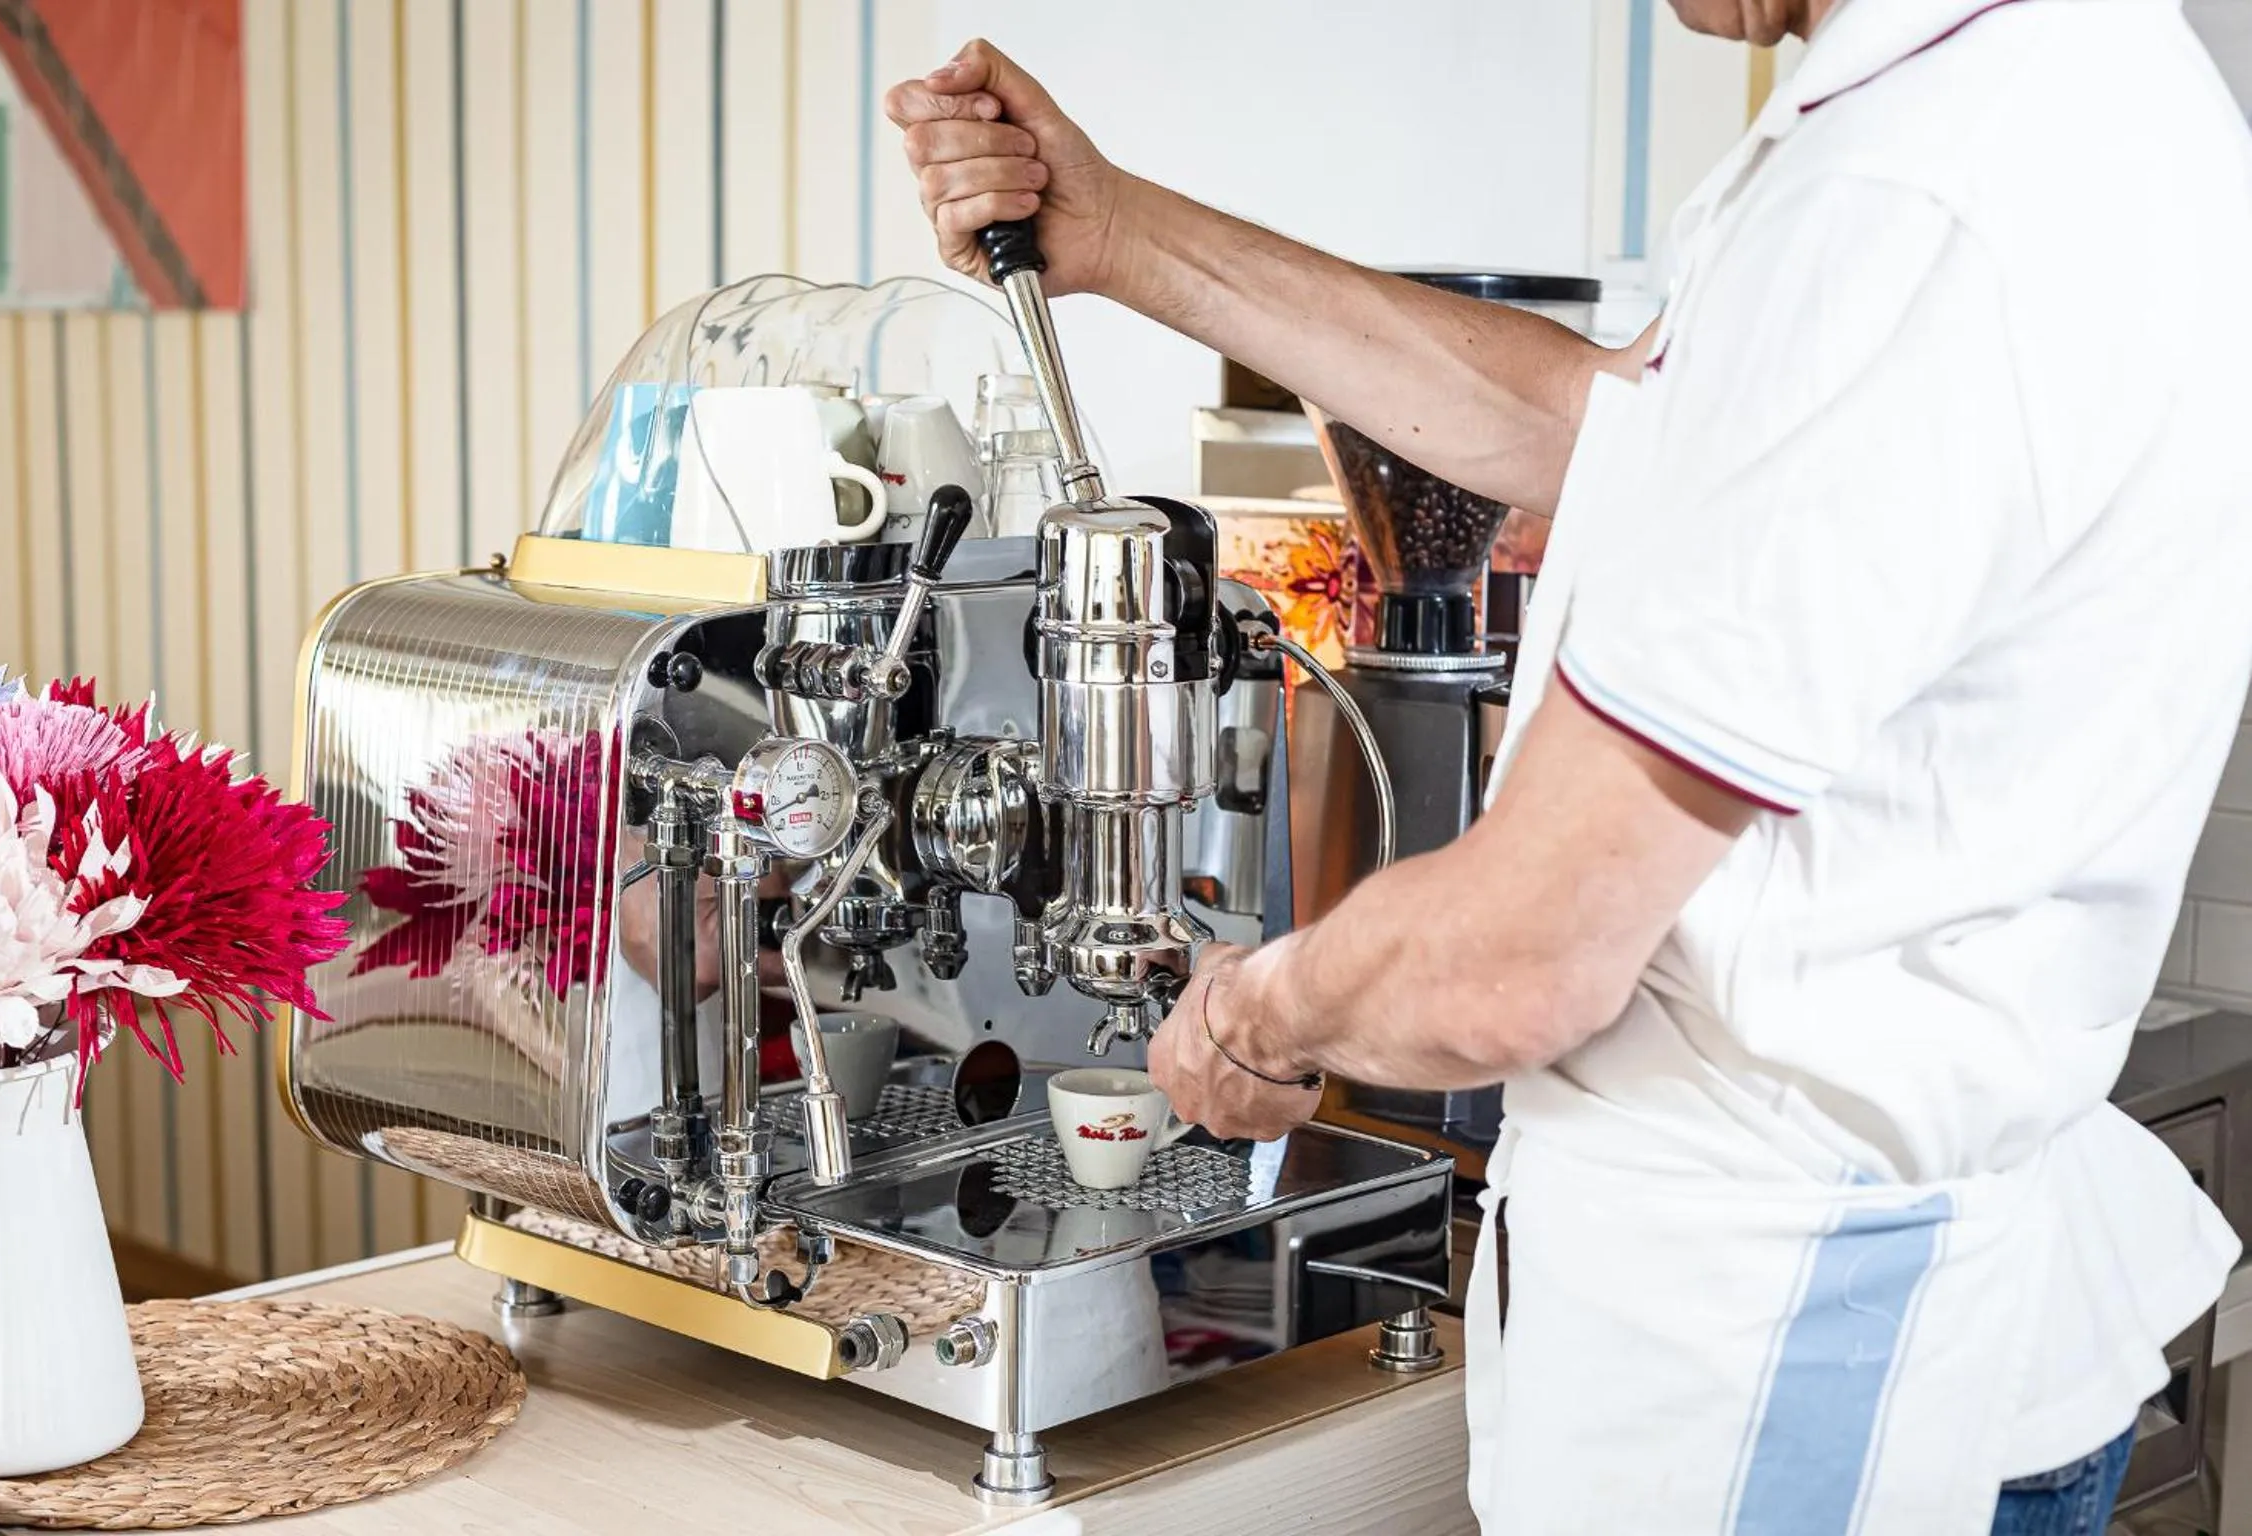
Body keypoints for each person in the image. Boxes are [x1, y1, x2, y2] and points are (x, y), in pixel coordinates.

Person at [890, 0, 2252, 1530]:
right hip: (1907, 1300)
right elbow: (1598, 426)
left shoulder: (1911, 196)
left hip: (1776, 1382)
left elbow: (1521, 955)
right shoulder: (2079, 77)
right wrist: (1128, 234)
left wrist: (1259, 1011)